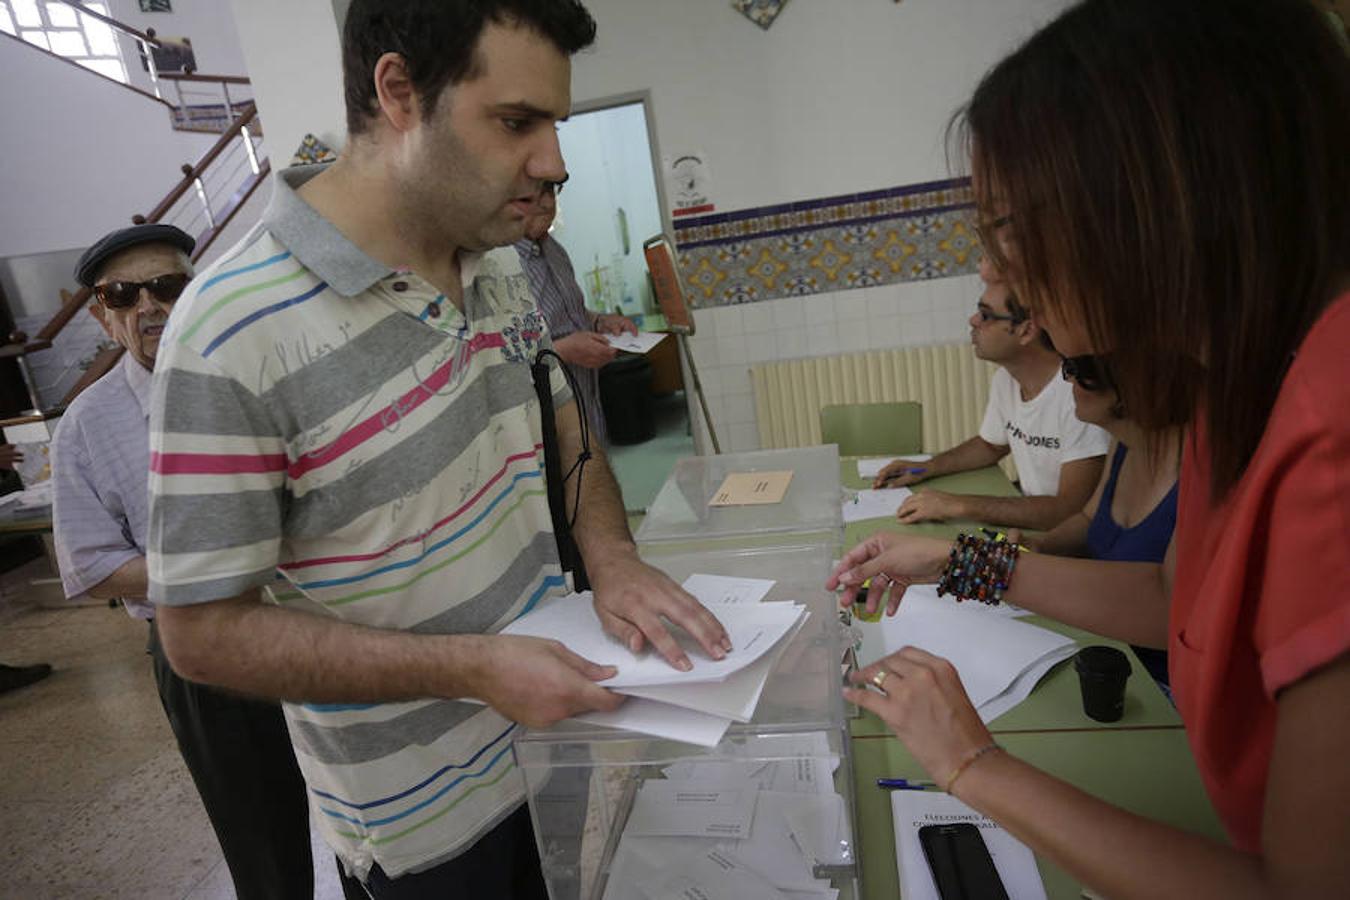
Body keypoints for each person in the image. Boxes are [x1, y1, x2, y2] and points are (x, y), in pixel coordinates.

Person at [145, 1, 731, 896]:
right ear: (399, 93)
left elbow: (557, 420)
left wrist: (611, 555)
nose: (553, 163)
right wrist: (472, 671)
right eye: (515, 121)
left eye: (554, 124)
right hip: (423, 825)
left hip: (554, 751)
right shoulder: (228, 331)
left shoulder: (490, 258)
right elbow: (201, 634)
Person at [831, 0, 1350, 894]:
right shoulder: (1236, 384)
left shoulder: (1332, 436)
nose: (995, 275)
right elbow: (1166, 594)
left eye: (1006, 233)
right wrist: (957, 562)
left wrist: (971, 766)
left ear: (1157, 203)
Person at [50, 224, 317, 900]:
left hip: (320, 614)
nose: (149, 305)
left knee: (368, 805)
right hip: (199, 648)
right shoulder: (87, 424)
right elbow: (90, 566)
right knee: (261, 836)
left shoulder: (263, 370)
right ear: (102, 316)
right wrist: (219, 564)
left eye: (166, 285)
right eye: (123, 293)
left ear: (197, 291)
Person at [874, 263, 1109, 530]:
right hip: (1035, 526)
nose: (973, 321)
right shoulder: (1006, 380)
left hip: (1072, 541)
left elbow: (1068, 511)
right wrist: (925, 467)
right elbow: (990, 445)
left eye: (986, 316)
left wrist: (957, 504)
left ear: (1027, 330)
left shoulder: (1078, 394)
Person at [1010, 355, 1181, 695]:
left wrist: (973, 566)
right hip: (1103, 643)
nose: (1066, 380)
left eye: (1077, 370)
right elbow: (1090, 519)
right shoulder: (1124, 443)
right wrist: (1042, 545)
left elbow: (1170, 607)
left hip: (1158, 682)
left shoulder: (1199, 467)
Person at [515, 180, 639, 447]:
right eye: (533, 193)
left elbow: (572, 310)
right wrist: (565, 351)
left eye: (550, 190)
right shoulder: (498, 264)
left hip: (587, 407)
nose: (547, 203)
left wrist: (600, 320)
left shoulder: (554, 250)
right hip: (545, 429)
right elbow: (500, 358)